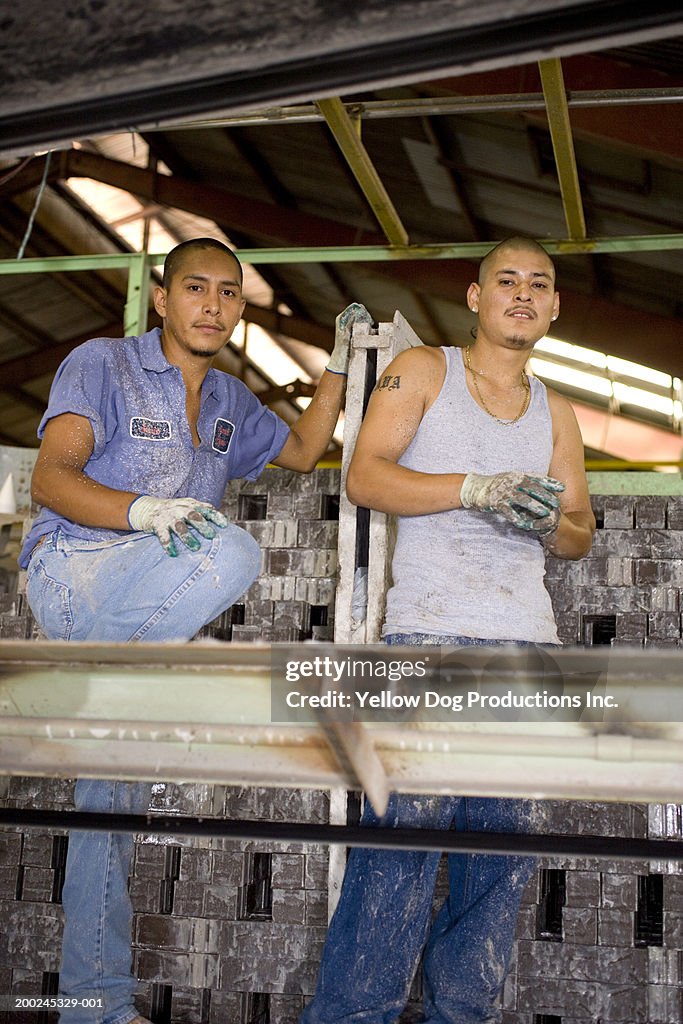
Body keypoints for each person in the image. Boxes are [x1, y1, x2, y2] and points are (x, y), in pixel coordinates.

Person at [18, 236, 372, 1024]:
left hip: (142, 614)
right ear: (163, 295)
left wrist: (341, 364)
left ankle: (94, 1006)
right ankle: (85, 682)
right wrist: (140, 511)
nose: (212, 306)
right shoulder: (101, 363)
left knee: (105, 794)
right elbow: (50, 476)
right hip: (76, 570)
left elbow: (307, 451)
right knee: (227, 546)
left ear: (241, 309)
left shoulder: (230, 404)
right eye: (196, 289)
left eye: (228, 294)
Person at [302, 237, 595, 1024]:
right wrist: (473, 487)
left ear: (555, 306)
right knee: (395, 855)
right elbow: (365, 474)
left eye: (539, 284)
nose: (522, 294)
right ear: (475, 297)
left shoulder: (555, 410)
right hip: (426, 640)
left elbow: (579, 531)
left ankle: (459, 1017)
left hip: (526, 650)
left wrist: (544, 524)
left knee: (496, 865)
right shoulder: (425, 369)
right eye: (506, 281)